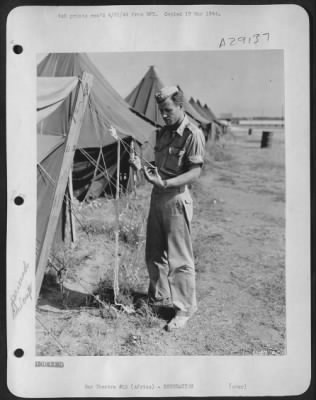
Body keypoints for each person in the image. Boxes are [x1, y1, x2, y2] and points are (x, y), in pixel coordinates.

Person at [131, 86, 205, 331]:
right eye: (161, 111)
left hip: (175, 199)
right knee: (154, 254)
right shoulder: (163, 133)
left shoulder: (192, 133)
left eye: (168, 110)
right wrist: (141, 166)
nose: (164, 115)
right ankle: (159, 297)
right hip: (158, 198)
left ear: (180, 106)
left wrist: (166, 183)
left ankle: (184, 309)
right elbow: (159, 166)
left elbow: (195, 171)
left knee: (180, 259)